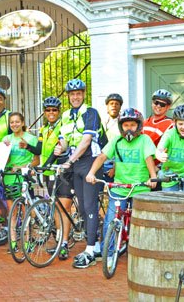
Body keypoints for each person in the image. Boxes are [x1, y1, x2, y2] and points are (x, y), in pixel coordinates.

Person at [86, 108, 159, 263]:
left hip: (140, 188)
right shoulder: (116, 141)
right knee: (111, 219)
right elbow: (102, 157)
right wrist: (91, 173)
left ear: (138, 126)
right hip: (120, 187)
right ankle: (110, 253)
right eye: (126, 125)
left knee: (143, 222)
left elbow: (148, 159)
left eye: (132, 125)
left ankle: (144, 253)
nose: (129, 129)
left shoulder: (144, 140)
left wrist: (153, 177)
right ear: (121, 127)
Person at [54, 78, 105, 268]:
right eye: (72, 94)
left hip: (90, 161)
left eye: (78, 94)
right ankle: (97, 244)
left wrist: (69, 160)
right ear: (68, 97)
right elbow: (66, 141)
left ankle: (90, 250)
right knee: (82, 208)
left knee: (90, 206)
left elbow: (86, 141)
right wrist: (61, 149)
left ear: (84, 94)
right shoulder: (66, 115)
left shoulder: (91, 113)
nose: (75, 97)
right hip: (75, 163)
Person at [35, 96, 72, 260]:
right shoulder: (44, 129)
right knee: (54, 206)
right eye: (48, 110)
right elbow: (39, 148)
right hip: (49, 173)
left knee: (64, 207)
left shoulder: (62, 127)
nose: (51, 113)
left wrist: (47, 164)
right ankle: (59, 239)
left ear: (59, 112)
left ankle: (64, 244)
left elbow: (58, 149)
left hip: (62, 171)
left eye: (54, 110)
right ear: (44, 112)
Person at [1, 112, 40, 252]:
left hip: (24, 178)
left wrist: (25, 167)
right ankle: (12, 243)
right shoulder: (6, 139)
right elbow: (2, 160)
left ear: (22, 123)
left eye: (17, 122)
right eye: (12, 122)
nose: (14, 124)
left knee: (25, 211)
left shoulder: (31, 139)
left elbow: (37, 160)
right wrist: (4, 150)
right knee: (12, 211)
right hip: (9, 178)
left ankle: (27, 241)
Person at [142, 89, 174, 168]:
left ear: (168, 107)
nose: (158, 106)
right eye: (156, 102)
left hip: (157, 168)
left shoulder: (170, 124)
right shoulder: (145, 122)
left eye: (162, 104)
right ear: (152, 103)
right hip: (141, 166)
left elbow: (171, 149)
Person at [101, 93, 123, 183]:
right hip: (102, 161)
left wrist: (115, 167)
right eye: (111, 103)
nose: (114, 106)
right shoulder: (101, 121)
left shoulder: (122, 123)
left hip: (116, 163)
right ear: (107, 106)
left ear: (120, 107)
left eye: (117, 104)